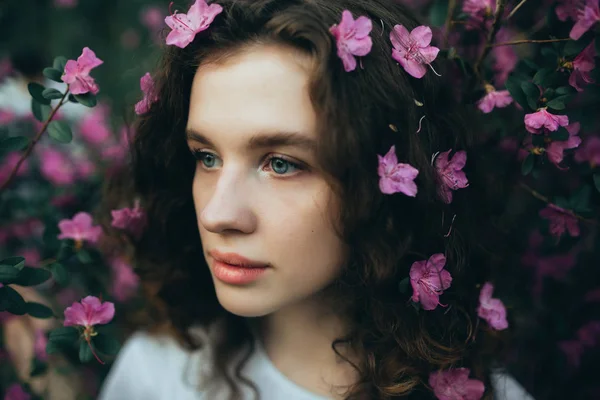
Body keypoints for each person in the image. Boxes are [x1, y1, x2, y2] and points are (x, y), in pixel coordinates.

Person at [98, 0, 534, 398]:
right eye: (206, 157)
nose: (217, 214)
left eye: (282, 163)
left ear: (387, 177)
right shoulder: (156, 376)